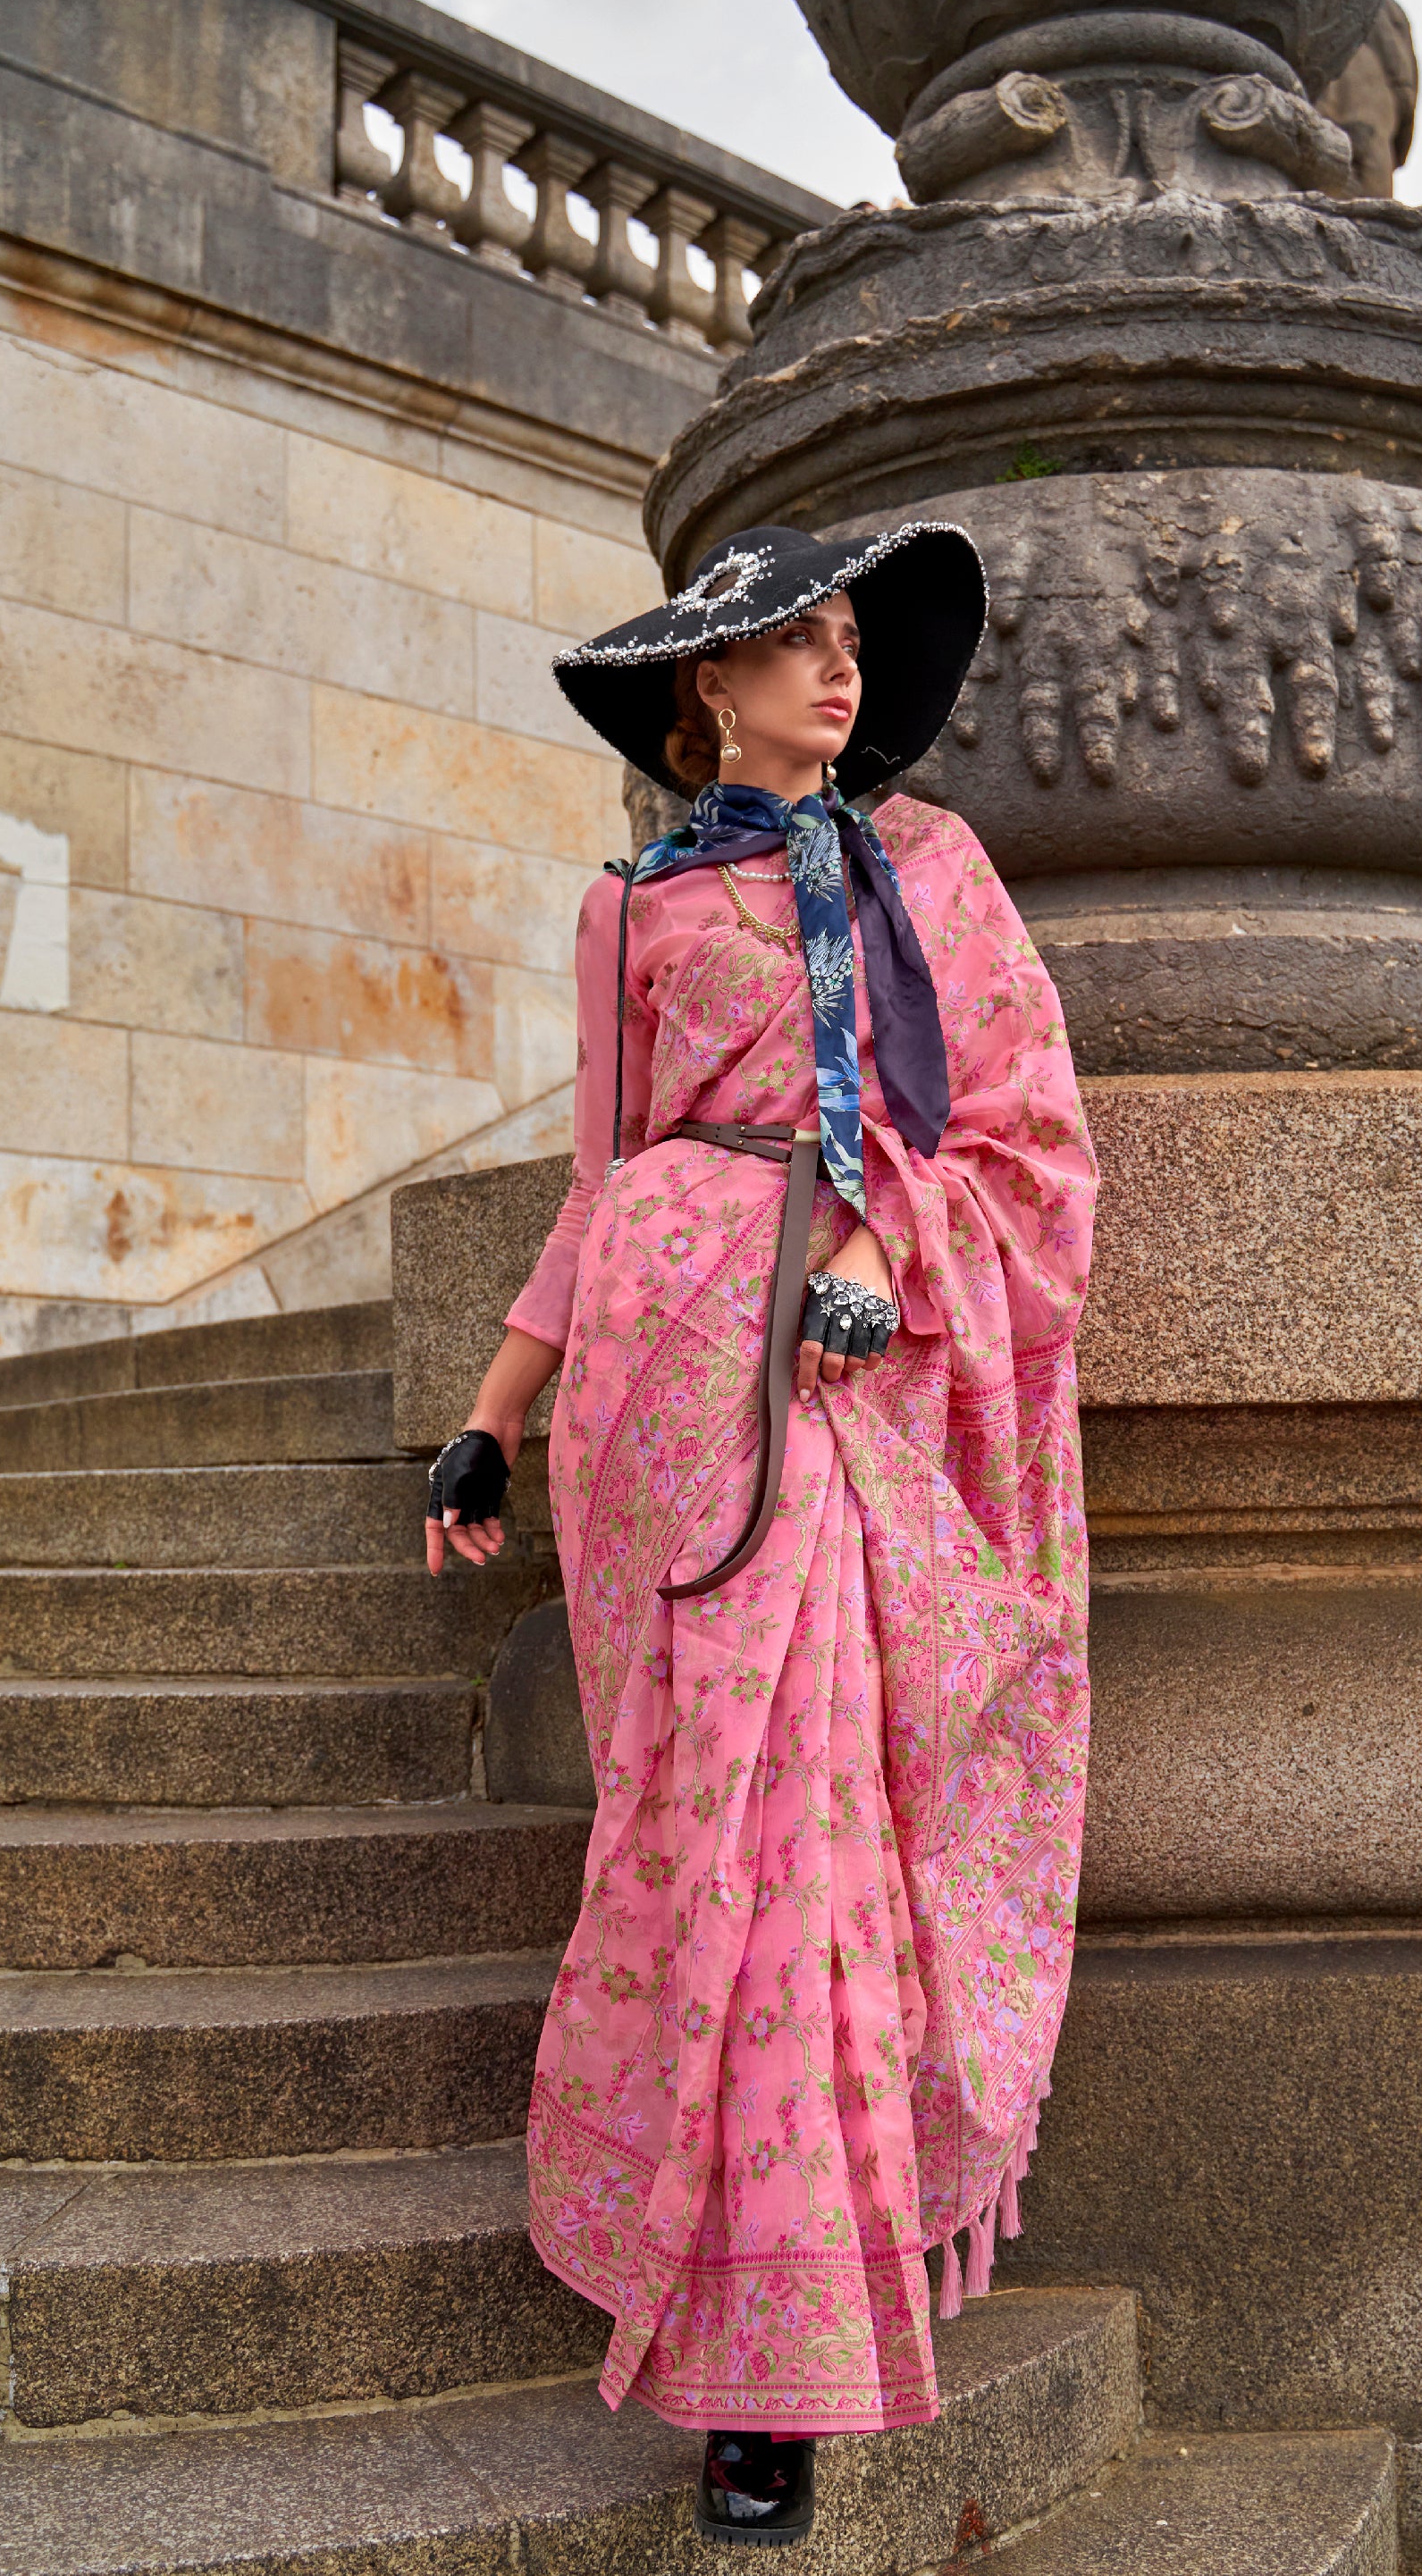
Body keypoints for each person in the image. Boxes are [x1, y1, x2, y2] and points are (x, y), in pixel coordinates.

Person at [425, 521, 1097, 2547]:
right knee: (680, 1822)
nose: (837, 671)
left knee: (791, 1820)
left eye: (843, 642)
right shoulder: (628, 902)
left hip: (824, 1359)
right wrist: (486, 1418)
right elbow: (597, 1177)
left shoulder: (933, 873)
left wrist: (887, 1248)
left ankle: (767, 2373)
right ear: (699, 687)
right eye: (794, 644)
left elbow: (1020, 1132)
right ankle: (706, 2281)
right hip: (643, 1377)